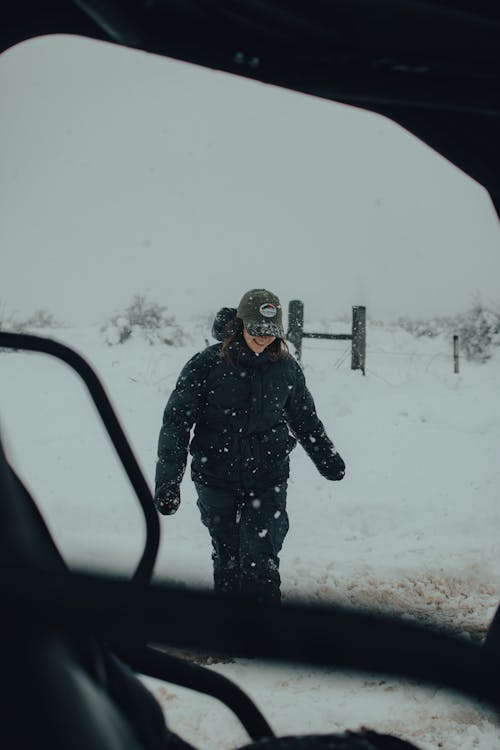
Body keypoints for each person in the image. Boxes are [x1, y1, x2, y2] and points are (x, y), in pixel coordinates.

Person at [154, 289, 345, 604]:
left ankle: (263, 632)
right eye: (256, 329)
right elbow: (176, 423)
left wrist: (327, 458)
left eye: (271, 331)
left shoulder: (285, 368)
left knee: (260, 557)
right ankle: (231, 630)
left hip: (267, 476)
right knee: (228, 555)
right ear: (239, 325)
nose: (263, 338)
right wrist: (168, 481)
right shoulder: (207, 364)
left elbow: (305, 419)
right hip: (215, 475)